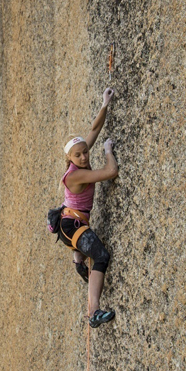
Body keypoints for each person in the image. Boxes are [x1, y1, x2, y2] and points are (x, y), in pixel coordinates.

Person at [59, 87, 118, 328]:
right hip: (72, 226)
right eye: (79, 155)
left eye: (86, 152)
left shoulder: (80, 155)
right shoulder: (74, 176)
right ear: (70, 159)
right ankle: (93, 312)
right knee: (101, 256)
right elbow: (111, 172)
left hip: (75, 224)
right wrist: (107, 151)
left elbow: (94, 129)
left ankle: (78, 258)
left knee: (89, 247)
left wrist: (104, 104)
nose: (85, 157)